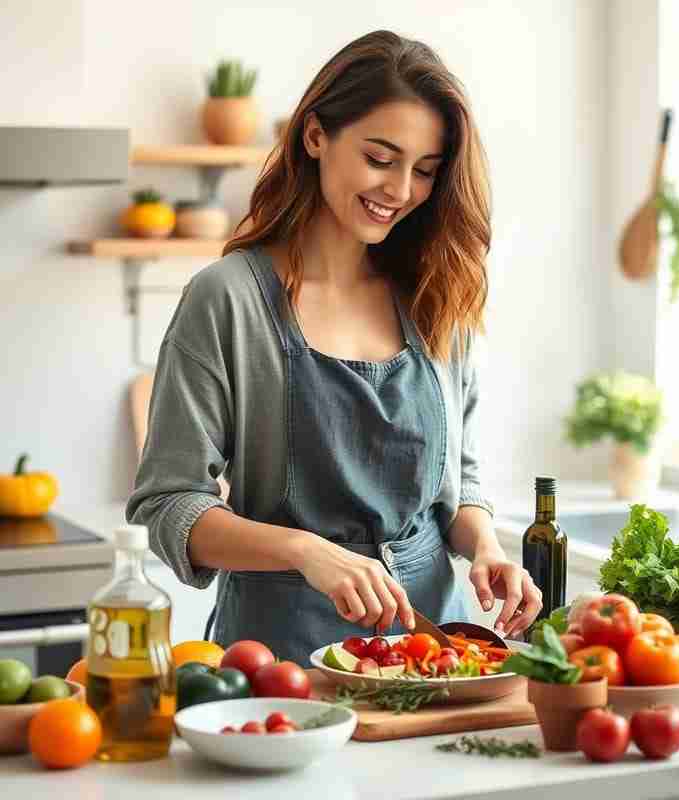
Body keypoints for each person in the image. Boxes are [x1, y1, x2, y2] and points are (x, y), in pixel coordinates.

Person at [127, 29, 542, 666]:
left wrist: (486, 545)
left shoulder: (437, 295)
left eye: (426, 171)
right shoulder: (228, 299)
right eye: (381, 158)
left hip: (438, 657)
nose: (401, 190)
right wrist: (303, 550)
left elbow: (457, 480)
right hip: (280, 662)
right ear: (316, 136)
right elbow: (170, 502)